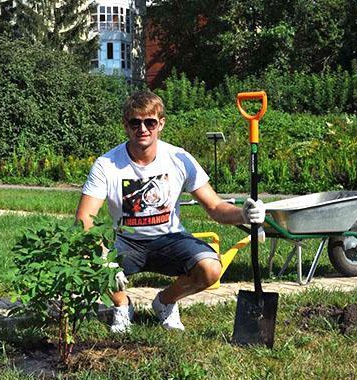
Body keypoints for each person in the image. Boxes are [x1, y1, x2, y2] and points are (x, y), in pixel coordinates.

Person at [75, 91, 265, 333]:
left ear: (161, 123)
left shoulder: (179, 158)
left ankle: (165, 302)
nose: (142, 129)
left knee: (211, 269)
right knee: (86, 255)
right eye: (135, 122)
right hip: (126, 241)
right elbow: (83, 220)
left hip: (170, 238)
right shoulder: (106, 165)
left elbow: (215, 207)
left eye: (150, 122)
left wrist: (244, 215)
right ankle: (122, 305)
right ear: (125, 125)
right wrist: (104, 258)